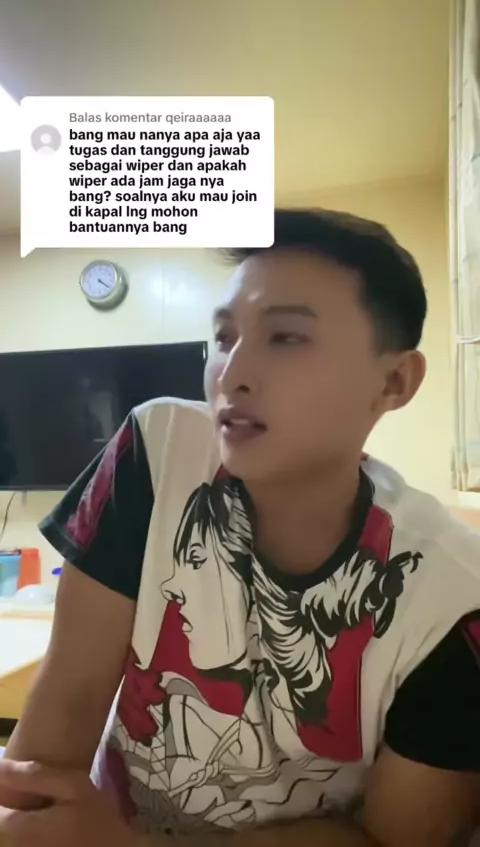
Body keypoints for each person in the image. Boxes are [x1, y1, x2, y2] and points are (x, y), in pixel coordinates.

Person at [1, 208, 479, 847]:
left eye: (285, 338)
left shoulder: (452, 598)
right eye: (225, 337)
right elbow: (67, 702)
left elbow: (391, 839)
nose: (230, 374)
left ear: (394, 381)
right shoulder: (158, 451)